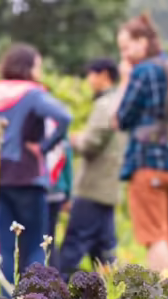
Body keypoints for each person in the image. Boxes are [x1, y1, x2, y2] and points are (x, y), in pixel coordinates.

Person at [0, 43, 71, 293]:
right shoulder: (32, 94)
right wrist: (43, 147)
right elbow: (64, 117)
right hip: (29, 177)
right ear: (29, 66)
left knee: (5, 247)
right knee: (34, 247)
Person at [115, 14, 168, 271]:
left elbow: (121, 119)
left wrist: (125, 78)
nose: (124, 55)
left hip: (149, 165)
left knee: (154, 238)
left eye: (126, 48)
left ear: (142, 42)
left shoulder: (143, 71)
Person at [58, 58, 127, 280]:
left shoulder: (106, 105)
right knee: (104, 251)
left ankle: (54, 294)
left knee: (73, 246)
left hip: (93, 188)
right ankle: (115, 294)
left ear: (103, 75)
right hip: (109, 187)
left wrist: (71, 141)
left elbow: (91, 144)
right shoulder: (122, 103)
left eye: (91, 74)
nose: (89, 80)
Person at [45, 130, 73, 269]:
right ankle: (55, 283)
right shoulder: (58, 122)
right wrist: (68, 192)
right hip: (57, 188)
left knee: (30, 241)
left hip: (33, 188)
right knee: (50, 239)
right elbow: (67, 158)